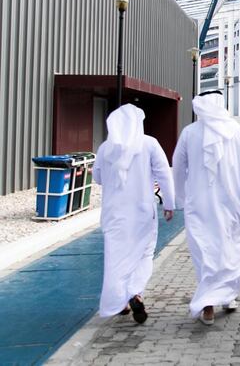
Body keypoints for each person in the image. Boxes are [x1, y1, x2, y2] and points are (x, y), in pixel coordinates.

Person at [172, 90, 240, 326]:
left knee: (205, 251)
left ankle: (210, 304)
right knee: (229, 249)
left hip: (199, 204)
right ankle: (226, 297)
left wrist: (181, 198)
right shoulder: (235, 130)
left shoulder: (190, 133)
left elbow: (177, 167)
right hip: (231, 202)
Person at [94, 104, 175, 324]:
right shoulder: (149, 143)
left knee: (116, 258)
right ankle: (135, 292)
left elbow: (97, 178)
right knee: (144, 253)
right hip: (142, 212)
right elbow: (164, 174)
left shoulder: (105, 148)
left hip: (114, 214)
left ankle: (119, 302)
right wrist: (169, 203)